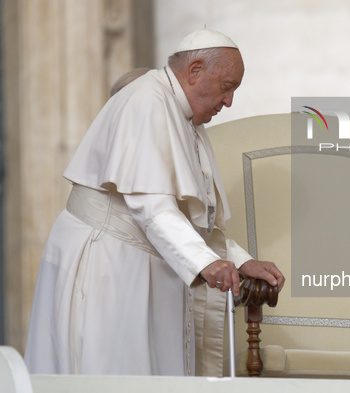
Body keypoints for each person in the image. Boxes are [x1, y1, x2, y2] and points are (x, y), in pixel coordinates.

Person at [24, 29, 284, 376]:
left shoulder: (185, 118)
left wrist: (239, 261)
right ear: (194, 71)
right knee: (109, 373)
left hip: (143, 267)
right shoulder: (147, 100)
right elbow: (152, 207)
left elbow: (192, 219)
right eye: (227, 87)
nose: (229, 102)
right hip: (109, 265)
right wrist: (206, 262)